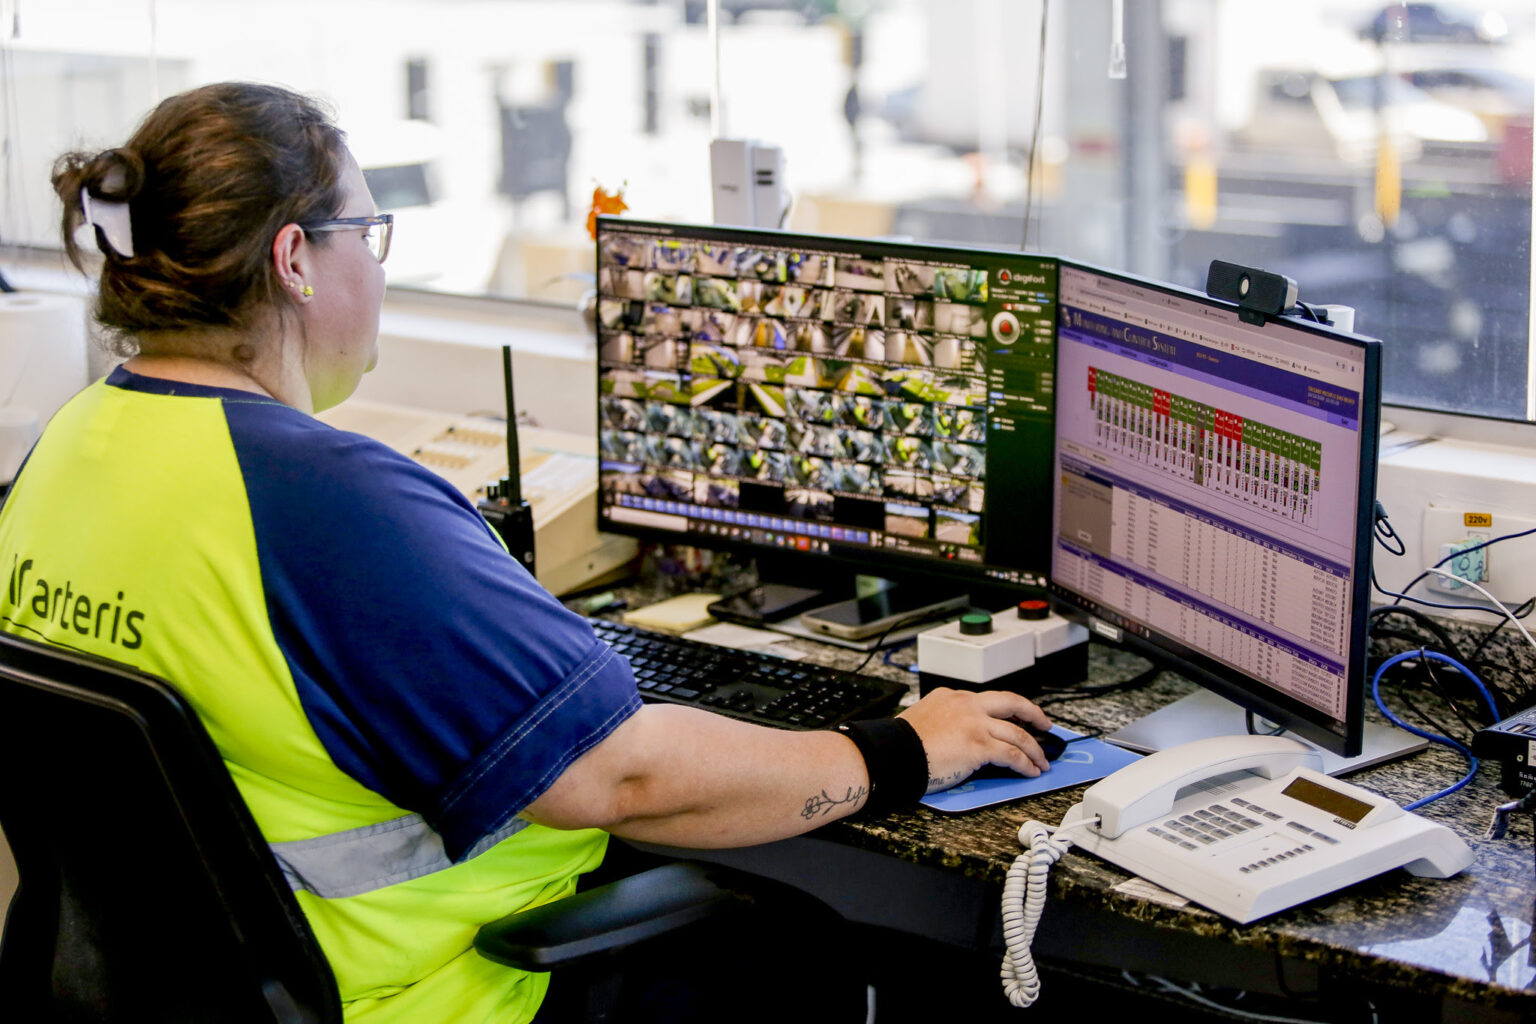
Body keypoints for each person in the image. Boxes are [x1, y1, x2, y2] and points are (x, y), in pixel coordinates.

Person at [0, 82, 1056, 1024]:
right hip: (437, 993)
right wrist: (906, 747)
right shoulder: (321, 498)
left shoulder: (68, 446)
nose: (376, 266)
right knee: (809, 953)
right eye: (366, 232)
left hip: (173, 990)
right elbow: (624, 775)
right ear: (294, 260)